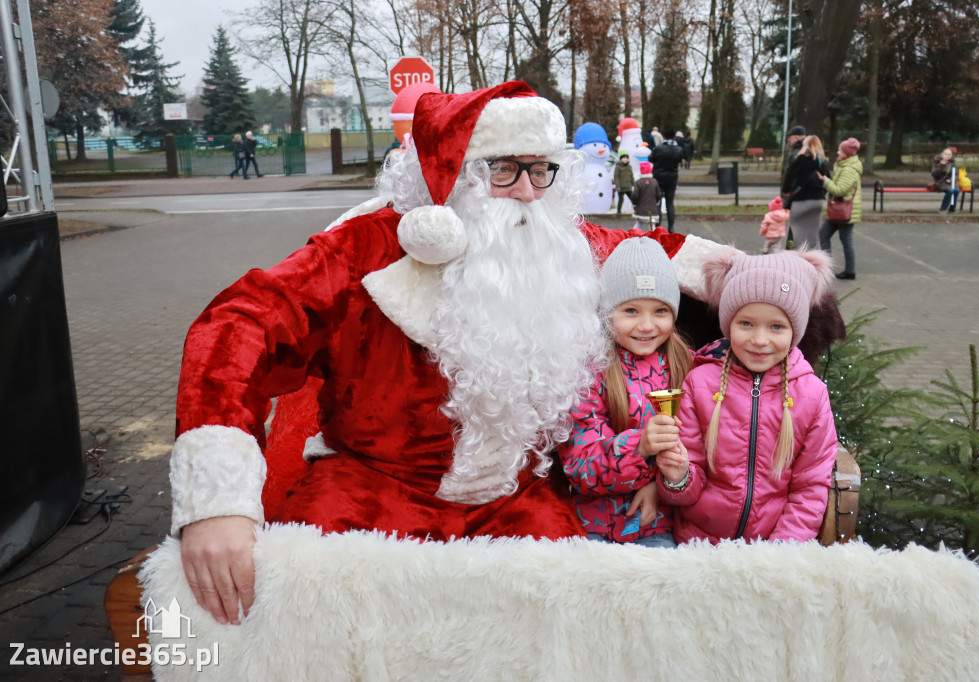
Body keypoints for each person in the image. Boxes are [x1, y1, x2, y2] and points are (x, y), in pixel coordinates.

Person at [171, 81, 708, 626]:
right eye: (503, 169)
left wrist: (763, 274)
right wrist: (215, 502)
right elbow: (238, 323)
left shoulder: (559, 242)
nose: (527, 191)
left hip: (514, 500)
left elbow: (655, 253)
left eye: (540, 170)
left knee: (577, 619)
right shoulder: (367, 249)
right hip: (372, 488)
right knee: (291, 610)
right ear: (455, 180)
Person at [655, 249, 838, 544]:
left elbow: (810, 486)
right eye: (746, 324)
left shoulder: (812, 395)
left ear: (796, 331)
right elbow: (688, 486)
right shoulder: (700, 383)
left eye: (776, 327)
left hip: (774, 551)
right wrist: (678, 477)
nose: (760, 340)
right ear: (729, 326)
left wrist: (780, 553)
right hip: (699, 547)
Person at [560, 237, 690, 548]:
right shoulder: (588, 373)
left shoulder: (688, 366)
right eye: (631, 310)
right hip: (593, 530)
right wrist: (641, 447)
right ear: (606, 312)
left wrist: (662, 486)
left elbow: (701, 450)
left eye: (660, 311)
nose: (647, 325)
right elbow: (579, 467)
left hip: (660, 527)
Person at [818, 137, 863, 279]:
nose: (837, 152)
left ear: (846, 153)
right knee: (825, 235)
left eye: (840, 150)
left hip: (844, 212)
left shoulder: (849, 169)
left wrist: (825, 181)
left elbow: (839, 190)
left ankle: (846, 270)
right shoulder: (844, 166)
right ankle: (831, 267)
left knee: (842, 239)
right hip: (841, 210)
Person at [781, 135, 830, 249]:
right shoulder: (821, 162)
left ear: (805, 145)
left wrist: (786, 191)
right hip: (817, 201)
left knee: (795, 232)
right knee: (812, 234)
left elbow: (790, 176)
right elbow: (828, 179)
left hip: (800, 200)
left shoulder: (801, 159)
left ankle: (793, 258)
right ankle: (812, 259)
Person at [650, 132, 684, 233]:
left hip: (658, 177)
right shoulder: (679, 149)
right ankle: (671, 227)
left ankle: (658, 226)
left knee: (658, 203)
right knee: (670, 203)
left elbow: (651, 159)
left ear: (664, 136)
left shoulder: (659, 148)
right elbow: (680, 160)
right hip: (672, 178)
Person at [630, 161, 662, 230]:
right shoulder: (654, 182)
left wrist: (634, 204)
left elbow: (635, 195)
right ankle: (653, 238)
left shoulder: (638, 182)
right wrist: (656, 202)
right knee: (652, 225)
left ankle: (631, 236)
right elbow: (658, 195)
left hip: (640, 209)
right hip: (652, 209)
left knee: (638, 224)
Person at [931, 147, 958, 214]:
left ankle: (952, 209)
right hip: (940, 182)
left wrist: (952, 179)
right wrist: (941, 165)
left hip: (949, 183)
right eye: (946, 154)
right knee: (950, 190)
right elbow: (934, 174)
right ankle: (943, 209)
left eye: (949, 154)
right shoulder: (937, 163)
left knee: (956, 190)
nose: (947, 156)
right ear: (942, 154)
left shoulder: (952, 164)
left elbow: (956, 174)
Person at [613, 150, 635, 216]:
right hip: (621, 187)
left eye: (626, 158)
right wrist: (618, 185)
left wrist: (633, 183)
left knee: (633, 199)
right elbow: (616, 177)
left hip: (628, 186)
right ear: (621, 159)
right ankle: (618, 211)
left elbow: (631, 176)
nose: (625, 159)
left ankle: (637, 210)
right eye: (623, 158)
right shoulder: (618, 167)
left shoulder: (629, 167)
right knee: (621, 200)